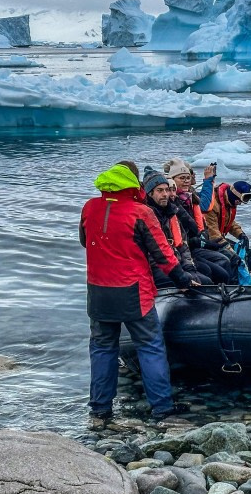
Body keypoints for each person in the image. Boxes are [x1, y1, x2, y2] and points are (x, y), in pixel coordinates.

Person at [79, 160, 194, 429]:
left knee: (102, 347)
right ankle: (162, 410)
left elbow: (85, 240)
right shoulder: (140, 212)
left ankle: (100, 410)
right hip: (134, 291)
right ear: (133, 186)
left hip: (98, 291)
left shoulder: (90, 207)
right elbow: (163, 254)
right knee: (150, 346)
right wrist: (183, 279)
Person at [164, 158, 230, 284]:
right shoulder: (173, 204)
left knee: (225, 260)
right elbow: (205, 205)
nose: (186, 181)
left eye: (187, 177)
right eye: (181, 178)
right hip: (187, 250)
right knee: (217, 266)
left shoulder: (190, 197)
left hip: (194, 245)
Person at [143, 166, 212, 287]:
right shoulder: (147, 216)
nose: (165, 194)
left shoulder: (171, 212)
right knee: (202, 281)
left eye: (167, 190)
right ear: (150, 193)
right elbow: (155, 253)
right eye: (160, 190)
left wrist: (188, 267)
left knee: (207, 277)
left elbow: (183, 244)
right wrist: (180, 274)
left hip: (177, 263)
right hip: (158, 268)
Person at [204, 180, 251, 254]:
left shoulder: (228, 203)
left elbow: (228, 221)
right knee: (231, 257)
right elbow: (213, 232)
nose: (240, 203)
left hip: (218, 238)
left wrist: (240, 234)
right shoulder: (212, 204)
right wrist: (230, 251)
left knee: (244, 253)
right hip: (206, 241)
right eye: (240, 200)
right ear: (235, 195)